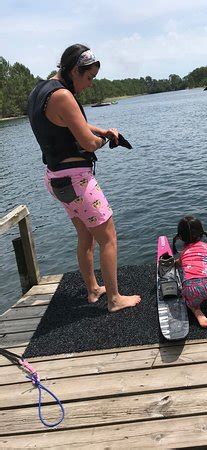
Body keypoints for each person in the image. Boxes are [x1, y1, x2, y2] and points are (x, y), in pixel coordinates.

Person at [27, 43, 141, 312]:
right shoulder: (64, 95)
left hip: (56, 179)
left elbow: (71, 120)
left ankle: (93, 289)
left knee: (85, 235)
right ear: (73, 70)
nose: (89, 85)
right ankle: (114, 299)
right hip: (78, 181)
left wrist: (101, 130)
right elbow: (88, 143)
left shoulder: (41, 90)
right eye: (88, 78)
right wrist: (103, 140)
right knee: (109, 237)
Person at [173, 216, 207, 328]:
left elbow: (179, 263)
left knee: (187, 297)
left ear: (180, 237)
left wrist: (173, 263)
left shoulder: (183, 253)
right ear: (201, 233)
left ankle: (198, 313)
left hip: (191, 289)